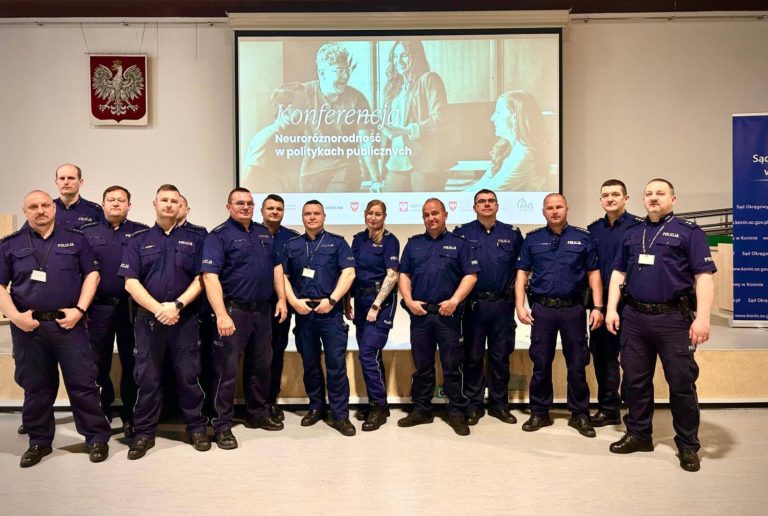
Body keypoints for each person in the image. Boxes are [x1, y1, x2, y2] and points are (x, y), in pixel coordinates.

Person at [606, 178, 716, 472]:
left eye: (660, 193)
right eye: (649, 193)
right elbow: (618, 272)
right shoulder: (633, 232)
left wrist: (703, 318)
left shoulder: (688, 232)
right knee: (634, 382)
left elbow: (704, 276)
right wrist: (611, 309)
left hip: (673, 320)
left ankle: (688, 445)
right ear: (642, 199)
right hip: (635, 319)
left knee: (681, 384)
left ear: (673, 199)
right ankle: (639, 434)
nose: (654, 198)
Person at [0, 190, 110, 467]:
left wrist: (80, 310)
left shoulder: (75, 239)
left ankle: (96, 438)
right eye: (33, 207)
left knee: (83, 383)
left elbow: (92, 275)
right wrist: (14, 317)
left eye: (45, 205)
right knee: (36, 387)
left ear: (54, 208)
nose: (41, 210)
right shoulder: (9, 245)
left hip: (68, 324)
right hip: (29, 327)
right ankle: (39, 441)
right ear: (25, 212)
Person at [118, 184, 210, 459]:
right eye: (164, 200)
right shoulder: (138, 240)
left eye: (174, 201)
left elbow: (202, 278)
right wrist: (159, 309)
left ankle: (196, 428)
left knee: (188, 376)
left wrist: (177, 305)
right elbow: (130, 282)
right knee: (147, 378)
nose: (169, 205)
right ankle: (144, 432)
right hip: (148, 321)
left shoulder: (195, 240)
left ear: (181, 206)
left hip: (185, 319)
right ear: (154, 204)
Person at [201, 188, 288, 450]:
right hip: (233, 311)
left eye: (250, 203)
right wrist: (221, 314)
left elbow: (276, 267)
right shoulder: (218, 236)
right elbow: (210, 277)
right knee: (225, 371)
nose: (246, 207)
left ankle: (257, 414)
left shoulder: (263, 233)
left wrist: (282, 299)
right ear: (229, 206)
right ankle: (222, 424)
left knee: (261, 366)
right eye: (240, 203)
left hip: (262, 311)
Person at [514, 193, 604, 438]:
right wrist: (520, 306)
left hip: (573, 310)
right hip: (542, 310)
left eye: (559, 207)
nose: (555, 211)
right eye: (550, 208)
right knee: (540, 363)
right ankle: (540, 412)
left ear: (567, 209)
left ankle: (580, 414)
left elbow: (593, 274)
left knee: (577, 364)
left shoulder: (583, 238)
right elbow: (522, 274)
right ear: (544, 211)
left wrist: (597, 307)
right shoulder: (532, 239)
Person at [398, 198, 479, 436]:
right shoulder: (413, 245)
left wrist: (454, 301)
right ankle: (422, 409)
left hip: (449, 316)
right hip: (421, 316)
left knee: (452, 366)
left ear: (445, 214)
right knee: (422, 365)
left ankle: (456, 411)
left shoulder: (459, 244)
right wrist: (409, 301)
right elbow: (404, 274)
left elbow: (471, 275)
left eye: (435, 213)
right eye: (426, 215)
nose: (431, 218)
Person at [282, 200, 356, 436]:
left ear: (324, 216)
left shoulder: (338, 243)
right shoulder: (292, 245)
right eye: (307, 213)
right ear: (302, 217)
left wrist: (332, 300)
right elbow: (282, 275)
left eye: (316, 213)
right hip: (304, 314)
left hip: (330, 313)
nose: (312, 217)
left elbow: (349, 273)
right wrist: (294, 302)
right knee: (310, 364)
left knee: (336, 366)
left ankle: (340, 415)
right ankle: (316, 408)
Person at [81, 185, 148, 437]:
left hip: (131, 310)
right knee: (97, 363)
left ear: (129, 205)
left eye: (122, 200)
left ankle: (131, 414)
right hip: (98, 309)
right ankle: (103, 409)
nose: (116, 203)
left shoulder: (141, 232)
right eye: (111, 200)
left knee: (133, 363)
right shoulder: (87, 233)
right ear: (103, 203)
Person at [453, 189, 522, 426]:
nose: (486, 204)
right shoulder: (462, 233)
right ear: (474, 207)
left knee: (500, 356)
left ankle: (499, 405)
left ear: (497, 205)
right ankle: (473, 404)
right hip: (473, 305)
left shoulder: (512, 233)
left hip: (502, 304)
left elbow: (521, 270)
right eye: (481, 201)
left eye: (490, 201)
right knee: (472, 356)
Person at [586, 179, 642, 427]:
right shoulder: (593, 230)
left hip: (630, 304)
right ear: (600, 200)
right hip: (601, 303)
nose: (610, 199)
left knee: (632, 359)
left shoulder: (639, 228)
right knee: (603, 357)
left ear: (626, 198)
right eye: (605, 195)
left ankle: (634, 412)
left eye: (615, 194)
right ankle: (608, 409)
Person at [347, 200, 400, 431]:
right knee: (371, 355)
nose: (373, 218)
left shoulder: (390, 241)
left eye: (378, 214)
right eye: (370, 213)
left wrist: (376, 305)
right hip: (359, 301)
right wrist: (346, 301)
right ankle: (377, 403)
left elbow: (392, 275)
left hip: (380, 301)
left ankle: (378, 407)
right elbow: (351, 272)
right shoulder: (358, 239)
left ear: (384, 216)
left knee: (368, 355)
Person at [299, 42, 379, 192]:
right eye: (339, 70)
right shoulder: (303, 93)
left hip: (344, 169)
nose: (346, 76)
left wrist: (376, 179)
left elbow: (366, 142)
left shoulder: (357, 99)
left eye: (347, 70)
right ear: (322, 73)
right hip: (309, 172)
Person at [379, 40, 449, 192]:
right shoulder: (392, 87)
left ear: (415, 56)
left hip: (424, 162)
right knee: (388, 210)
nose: (398, 61)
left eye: (404, 55)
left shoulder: (429, 79)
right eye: (395, 56)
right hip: (396, 161)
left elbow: (440, 120)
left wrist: (406, 130)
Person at [260, 194, 300, 422]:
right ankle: (256, 402)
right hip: (255, 305)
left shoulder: (292, 238)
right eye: (270, 208)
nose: (274, 212)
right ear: (262, 211)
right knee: (256, 356)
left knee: (276, 355)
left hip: (282, 306)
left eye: (279, 209)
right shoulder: (253, 233)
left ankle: (271, 401)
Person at [465, 91, 548, 192]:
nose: (492, 118)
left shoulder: (522, 155)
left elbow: (486, 193)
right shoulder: (505, 148)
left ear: (516, 117)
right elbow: (480, 187)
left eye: (499, 112)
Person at [242, 83, 307, 193]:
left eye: (308, 106)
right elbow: (249, 184)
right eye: (302, 107)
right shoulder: (269, 138)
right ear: (285, 110)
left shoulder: (292, 139)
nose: (309, 112)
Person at [53, 163, 105, 229]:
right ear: (56, 182)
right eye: (62, 178)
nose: (66, 182)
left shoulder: (95, 211)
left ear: (80, 182)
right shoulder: (46, 209)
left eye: (71, 178)